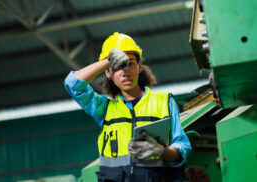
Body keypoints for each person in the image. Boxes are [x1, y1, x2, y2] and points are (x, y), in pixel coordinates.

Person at [64, 32, 191, 182]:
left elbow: (182, 147)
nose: (125, 72)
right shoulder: (103, 109)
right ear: (108, 73)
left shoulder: (164, 102)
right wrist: (107, 61)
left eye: (130, 63)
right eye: (117, 66)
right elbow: (72, 84)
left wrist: (162, 151)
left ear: (139, 67)